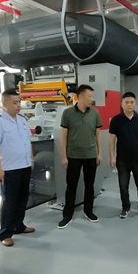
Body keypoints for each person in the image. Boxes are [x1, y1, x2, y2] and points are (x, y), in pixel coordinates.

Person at [0, 89, 36, 247]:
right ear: (4, 104)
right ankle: (5, 233)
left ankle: (18, 225)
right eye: (15, 103)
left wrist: (31, 158)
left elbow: (27, 141)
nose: (18, 105)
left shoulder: (22, 120)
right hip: (9, 169)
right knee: (9, 202)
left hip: (24, 165)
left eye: (19, 102)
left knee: (22, 198)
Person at [58, 84, 103, 229]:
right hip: (73, 156)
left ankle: (88, 211)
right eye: (90, 96)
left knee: (90, 185)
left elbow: (98, 134)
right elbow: (63, 136)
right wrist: (64, 156)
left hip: (90, 155)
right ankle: (67, 215)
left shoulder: (95, 113)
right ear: (81, 96)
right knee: (71, 186)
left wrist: (99, 153)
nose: (92, 99)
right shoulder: (68, 113)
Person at [109, 92, 138, 219]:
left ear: (135, 104)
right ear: (121, 104)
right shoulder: (116, 120)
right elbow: (112, 140)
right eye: (126, 102)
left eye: (132, 102)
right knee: (123, 186)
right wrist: (112, 157)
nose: (129, 105)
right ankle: (126, 208)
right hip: (122, 160)